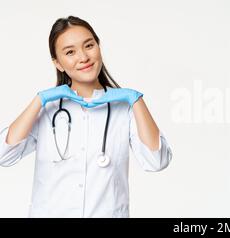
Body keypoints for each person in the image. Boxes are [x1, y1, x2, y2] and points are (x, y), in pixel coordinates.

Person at [0, 16, 173, 218]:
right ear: (58, 63)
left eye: (89, 46)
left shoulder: (124, 107)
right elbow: (4, 154)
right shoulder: (49, 109)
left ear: (98, 47)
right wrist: (39, 100)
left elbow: (157, 161)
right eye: (70, 52)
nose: (83, 57)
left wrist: (136, 100)